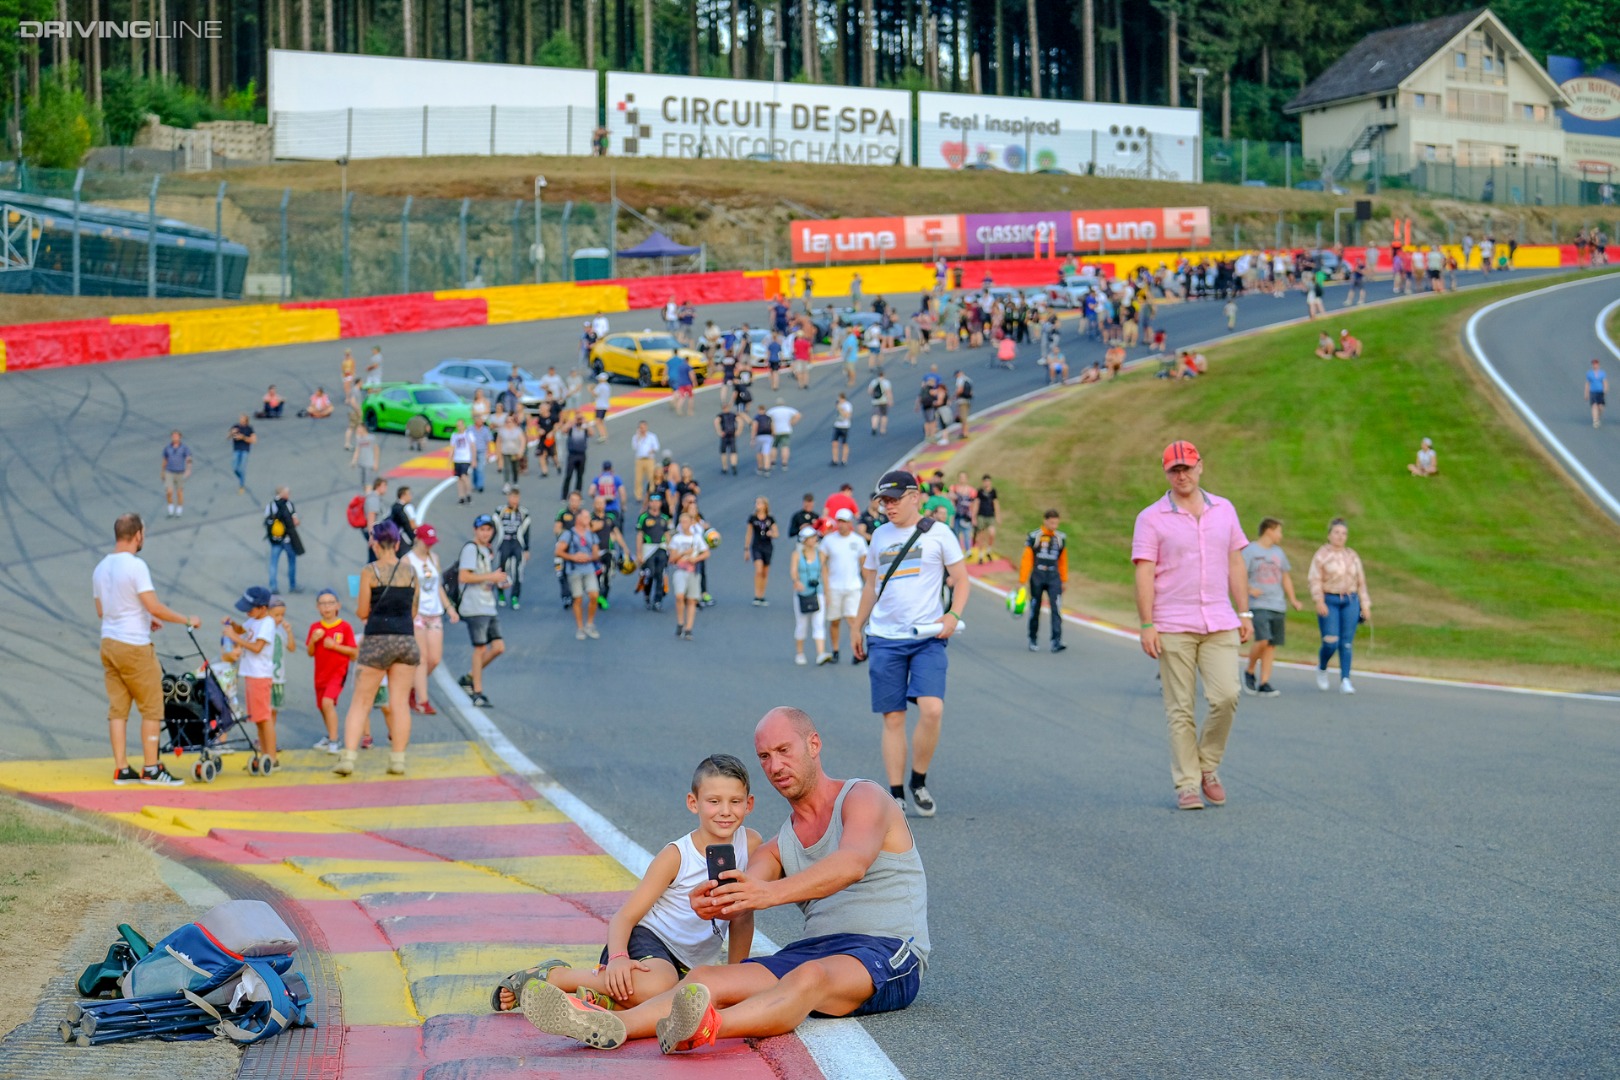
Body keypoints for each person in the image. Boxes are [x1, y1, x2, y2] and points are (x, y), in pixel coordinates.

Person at [517, 707, 928, 1056]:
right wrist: (713, 902)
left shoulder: (863, 797)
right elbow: (742, 891)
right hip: (814, 951)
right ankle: (612, 1025)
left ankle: (707, 1026)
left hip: (886, 950)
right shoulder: (779, 845)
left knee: (810, 978)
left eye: (784, 751)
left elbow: (851, 864)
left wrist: (766, 893)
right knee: (706, 979)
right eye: (764, 756)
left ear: (813, 745)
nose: (775, 766)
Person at [493, 754, 761, 1013]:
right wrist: (618, 958)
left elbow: (742, 915)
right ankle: (556, 976)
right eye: (714, 801)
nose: (725, 811)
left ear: (748, 804)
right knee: (660, 986)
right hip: (645, 941)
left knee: (690, 997)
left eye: (735, 801)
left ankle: (603, 1000)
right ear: (694, 803)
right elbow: (624, 918)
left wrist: (734, 976)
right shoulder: (676, 856)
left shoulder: (750, 844)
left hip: (686, 963)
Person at [1131, 440, 1252, 811]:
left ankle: (1207, 765)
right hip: (1172, 623)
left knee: (1227, 695)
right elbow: (1144, 572)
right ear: (1166, 473)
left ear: (1200, 467)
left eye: (1187, 467)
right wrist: (1147, 623)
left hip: (1219, 619)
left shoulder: (1224, 510)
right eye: (1175, 470)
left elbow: (1235, 562)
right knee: (1180, 708)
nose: (1182, 475)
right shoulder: (1151, 517)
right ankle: (1187, 784)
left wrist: (1245, 612)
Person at [851, 471, 969, 817]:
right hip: (885, 638)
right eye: (884, 501)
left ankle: (918, 780)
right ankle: (896, 792)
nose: (888, 507)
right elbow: (871, 586)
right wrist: (857, 626)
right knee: (893, 717)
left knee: (932, 709)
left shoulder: (940, 533)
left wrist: (952, 615)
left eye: (895, 500)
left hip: (927, 637)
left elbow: (962, 579)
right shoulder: (879, 536)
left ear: (914, 497)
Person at [93, 513, 200, 787]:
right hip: (134, 646)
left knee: (118, 710)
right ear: (137, 534)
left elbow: (103, 610)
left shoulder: (101, 568)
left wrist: (144, 617)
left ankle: (122, 769)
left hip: (109, 643)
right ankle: (151, 769)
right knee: (152, 708)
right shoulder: (136, 566)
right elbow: (154, 606)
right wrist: (187, 619)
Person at [332, 521, 419, 777]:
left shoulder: (370, 571)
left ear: (375, 544)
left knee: (361, 702)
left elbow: (362, 611)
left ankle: (348, 758)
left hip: (376, 641)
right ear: (397, 544)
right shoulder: (411, 572)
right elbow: (414, 611)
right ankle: (398, 760)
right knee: (400, 703)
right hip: (405, 640)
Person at [1308, 518, 1372, 695]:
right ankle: (1322, 667)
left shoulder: (1352, 556)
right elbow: (1315, 579)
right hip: (1330, 599)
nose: (1340, 536)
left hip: (1350, 600)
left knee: (1346, 642)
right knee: (1331, 641)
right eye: (1336, 532)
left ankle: (1345, 679)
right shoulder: (1322, 555)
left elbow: (1361, 582)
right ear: (1329, 535)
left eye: (1343, 533)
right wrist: (1319, 600)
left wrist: (1365, 604)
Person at [1241, 518, 1302, 698]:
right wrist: (1250, 589)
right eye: (1279, 531)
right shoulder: (1250, 551)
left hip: (1277, 604)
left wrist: (1293, 599)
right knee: (1263, 639)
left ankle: (1264, 682)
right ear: (1269, 530)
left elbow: (1285, 577)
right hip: (1258, 604)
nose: (1281, 535)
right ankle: (1250, 670)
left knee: (1271, 645)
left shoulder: (1278, 553)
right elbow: (1239, 574)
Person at [224, 585, 281, 772]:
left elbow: (257, 647)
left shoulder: (267, 623)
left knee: (264, 718)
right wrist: (232, 625)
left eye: (250, 608)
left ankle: (272, 758)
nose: (247, 612)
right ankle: (265, 755)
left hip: (260, 675)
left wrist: (234, 637)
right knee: (258, 718)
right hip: (252, 674)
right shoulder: (254, 619)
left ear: (263, 608)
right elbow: (242, 629)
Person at [405, 524, 457, 717]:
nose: (429, 545)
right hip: (417, 613)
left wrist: (449, 607)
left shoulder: (434, 558)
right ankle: (423, 700)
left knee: (434, 659)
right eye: (426, 542)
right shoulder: (407, 561)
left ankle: (412, 686)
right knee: (422, 658)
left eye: (431, 542)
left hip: (434, 612)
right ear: (418, 539)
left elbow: (438, 586)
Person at [458, 515, 509, 705]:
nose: (486, 533)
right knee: (480, 648)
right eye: (482, 530)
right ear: (475, 530)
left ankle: (470, 677)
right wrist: (491, 577)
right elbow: (464, 576)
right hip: (474, 605)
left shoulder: (486, 550)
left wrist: (498, 581)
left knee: (498, 647)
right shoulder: (471, 549)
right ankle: (477, 691)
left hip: (488, 605)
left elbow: (485, 577)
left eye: (489, 530)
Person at [306, 589, 359, 753]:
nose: (327, 607)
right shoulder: (315, 627)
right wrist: (313, 640)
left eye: (330, 603)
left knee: (327, 702)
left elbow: (354, 653)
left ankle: (334, 741)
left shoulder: (344, 627)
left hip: (338, 672)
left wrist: (335, 646)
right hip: (320, 674)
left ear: (338, 606)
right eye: (323, 604)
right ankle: (330, 736)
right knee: (322, 706)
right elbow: (310, 652)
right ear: (317, 607)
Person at [820, 509, 869, 664]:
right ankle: (835, 650)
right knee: (835, 620)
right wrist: (825, 587)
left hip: (853, 586)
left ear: (850, 523)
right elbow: (822, 563)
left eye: (844, 522)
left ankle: (857, 651)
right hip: (834, 586)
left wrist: (869, 586)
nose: (841, 525)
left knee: (854, 621)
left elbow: (864, 565)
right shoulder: (829, 540)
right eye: (839, 521)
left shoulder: (858, 541)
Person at [1019, 509, 1069, 653]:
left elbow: (1063, 560)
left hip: (1054, 576)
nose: (1054, 526)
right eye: (1051, 523)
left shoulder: (1060, 538)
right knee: (1035, 607)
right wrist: (1022, 579)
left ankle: (1056, 640)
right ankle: (1033, 638)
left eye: (1056, 523)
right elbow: (1027, 559)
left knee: (1056, 608)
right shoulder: (1034, 536)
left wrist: (1064, 579)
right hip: (1038, 575)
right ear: (1045, 521)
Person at [557, 505, 603, 640]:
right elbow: (558, 551)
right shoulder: (569, 534)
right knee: (578, 599)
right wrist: (573, 557)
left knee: (594, 595)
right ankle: (580, 627)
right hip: (574, 570)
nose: (589, 519)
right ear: (578, 518)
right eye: (586, 517)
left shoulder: (591, 535)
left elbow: (596, 554)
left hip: (588, 569)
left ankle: (590, 624)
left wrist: (588, 557)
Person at [789, 526, 832, 665]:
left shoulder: (820, 554)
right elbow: (793, 571)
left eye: (814, 537)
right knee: (802, 623)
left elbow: (824, 573)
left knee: (819, 623)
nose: (814, 539)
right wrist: (796, 581)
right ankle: (800, 653)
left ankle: (821, 653)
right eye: (811, 538)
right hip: (802, 593)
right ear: (805, 540)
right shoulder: (797, 554)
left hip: (817, 591)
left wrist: (827, 593)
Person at [668, 511, 709, 640]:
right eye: (681, 522)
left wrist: (695, 559)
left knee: (691, 599)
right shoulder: (677, 539)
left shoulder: (697, 538)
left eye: (686, 522)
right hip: (680, 570)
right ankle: (680, 622)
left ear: (691, 523)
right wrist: (684, 553)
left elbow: (706, 553)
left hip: (693, 571)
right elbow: (672, 559)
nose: (683, 524)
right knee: (679, 596)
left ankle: (688, 628)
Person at [494, 488, 532, 610]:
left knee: (518, 570)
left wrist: (526, 549)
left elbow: (526, 532)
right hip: (504, 542)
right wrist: (489, 545)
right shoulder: (500, 510)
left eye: (516, 497)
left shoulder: (524, 512)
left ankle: (515, 596)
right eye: (512, 497)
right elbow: (494, 528)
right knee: (502, 568)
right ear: (508, 497)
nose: (514, 500)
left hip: (517, 542)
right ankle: (500, 593)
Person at [637, 492, 674, 610]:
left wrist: (671, 551)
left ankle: (657, 600)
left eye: (657, 501)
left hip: (661, 548)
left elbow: (667, 535)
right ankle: (647, 595)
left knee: (660, 574)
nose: (654, 504)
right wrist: (639, 553)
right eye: (652, 501)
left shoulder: (664, 518)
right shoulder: (643, 517)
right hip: (648, 548)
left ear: (660, 503)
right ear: (649, 503)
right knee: (650, 573)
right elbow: (639, 535)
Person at [264, 486, 303, 594]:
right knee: (291, 562)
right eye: (287, 492)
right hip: (287, 539)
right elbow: (295, 520)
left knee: (273, 563)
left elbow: (267, 520)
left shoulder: (270, 505)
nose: (289, 494)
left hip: (275, 539)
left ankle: (273, 587)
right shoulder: (289, 504)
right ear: (281, 493)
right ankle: (292, 585)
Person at [746, 497, 778, 606]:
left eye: (760, 503)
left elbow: (776, 533)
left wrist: (771, 534)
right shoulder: (753, 518)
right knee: (758, 570)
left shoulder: (770, 519)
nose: (757, 505)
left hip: (767, 547)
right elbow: (749, 533)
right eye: (757, 503)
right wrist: (746, 548)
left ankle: (762, 595)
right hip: (756, 546)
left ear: (765, 505)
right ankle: (757, 595)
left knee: (765, 572)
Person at [969, 475, 1001, 564]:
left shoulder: (993, 492)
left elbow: (995, 504)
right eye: (985, 481)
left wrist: (998, 516)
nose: (987, 483)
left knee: (992, 533)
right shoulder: (980, 492)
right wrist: (973, 517)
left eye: (988, 481)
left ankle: (988, 550)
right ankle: (980, 555)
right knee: (981, 536)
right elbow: (976, 503)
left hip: (990, 516)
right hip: (981, 516)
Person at [161, 430, 192, 518]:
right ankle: (170, 510)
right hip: (169, 472)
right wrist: (162, 471)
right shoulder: (167, 448)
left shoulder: (184, 448)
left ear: (180, 437)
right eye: (173, 436)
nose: (174, 438)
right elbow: (165, 460)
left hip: (180, 472)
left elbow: (188, 458)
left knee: (179, 492)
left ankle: (179, 510)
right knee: (169, 492)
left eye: (176, 436)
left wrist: (188, 469)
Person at [561, 411, 591, 498]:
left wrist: (586, 422)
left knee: (580, 476)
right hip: (572, 454)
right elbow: (563, 430)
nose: (579, 420)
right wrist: (572, 421)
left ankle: (578, 495)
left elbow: (591, 433)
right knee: (568, 475)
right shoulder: (571, 427)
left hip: (582, 454)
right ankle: (564, 495)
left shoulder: (585, 427)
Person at [766, 398, 800, 471]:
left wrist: (769, 426)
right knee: (785, 447)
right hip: (785, 430)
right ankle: (784, 463)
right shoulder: (788, 409)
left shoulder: (772, 410)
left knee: (774, 446)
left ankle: (773, 461)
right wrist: (792, 422)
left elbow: (766, 418)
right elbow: (798, 415)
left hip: (775, 431)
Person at [632, 421, 662, 502]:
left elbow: (656, 447)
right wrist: (638, 438)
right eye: (641, 428)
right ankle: (638, 496)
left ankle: (652, 493)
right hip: (639, 460)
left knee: (651, 477)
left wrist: (652, 450)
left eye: (643, 427)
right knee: (638, 479)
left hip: (649, 459)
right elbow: (634, 447)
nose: (642, 429)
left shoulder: (652, 436)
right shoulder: (636, 437)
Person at [497, 413, 527, 492]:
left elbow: (523, 440)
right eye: (506, 421)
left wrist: (521, 451)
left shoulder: (517, 430)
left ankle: (515, 482)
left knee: (515, 468)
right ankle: (506, 483)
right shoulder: (502, 430)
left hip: (515, 452)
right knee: (506, 468)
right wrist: (498, 453)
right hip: (505, 451)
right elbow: (498, 441)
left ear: (513, 422)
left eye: (510, 421)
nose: (508, 423)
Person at [450, 419, 476, 504]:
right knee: (459, 478)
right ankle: (461, 496)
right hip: (457, 459)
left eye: (460, 425)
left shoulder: (468, 434)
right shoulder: (454, 435)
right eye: (458, 425)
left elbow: (473, 447)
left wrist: (473, 459)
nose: (459, 427)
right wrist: (450, 458)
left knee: (464, 476)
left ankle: (468, 492)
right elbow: (452, 447)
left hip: (466, 459)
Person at [229, 414, 255, 493]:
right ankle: (241, 478)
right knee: (235, 468)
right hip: (236, 449)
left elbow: (253, 440)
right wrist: (232, 433)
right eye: (240, 419)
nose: (241, 420)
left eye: (242, 419)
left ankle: (241, 485)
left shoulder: (249, 429)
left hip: (245, 450)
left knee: (242, 468)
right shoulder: (236, 427)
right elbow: (228, 437)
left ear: (246, 420)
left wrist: (243, 437)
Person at [713, 403, 741, 476]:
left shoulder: (720, 415)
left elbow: (716, 422)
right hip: (731, 434)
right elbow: (740, 422)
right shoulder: (733, 415)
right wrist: (738, 431)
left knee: (724, 452)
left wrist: (719, 432)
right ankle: (733, 465)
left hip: (725, 435)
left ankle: (725, 467)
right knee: (732, 451)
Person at [352, 421, 379, 490]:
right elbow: (357, 450)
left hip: (369, 463)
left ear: (363, 428)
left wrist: (376, 463)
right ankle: (367, 495)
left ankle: (369, 495)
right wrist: (354, 460)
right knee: (363, 483)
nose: (357, 430)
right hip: (361, 463)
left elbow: (376, 450)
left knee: (368, 483)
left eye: (358, 428)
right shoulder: (359, 439)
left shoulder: (371, 438)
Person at [750, 404, 775, 476]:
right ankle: (767, 468)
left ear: (758, 410)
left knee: (759, 453)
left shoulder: (757, 418)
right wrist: (773, 435)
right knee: (766, 453)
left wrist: (752, 439)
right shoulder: (769, 418)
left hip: (759, 436)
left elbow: (754, 428)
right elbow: (773, 427)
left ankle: (760, 467)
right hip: (768, 436)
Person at [868, 367, 893, 436]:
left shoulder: (873, 382)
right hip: (884, 401)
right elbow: (888, 392)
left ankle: (874, 427)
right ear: (883, 374)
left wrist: (874, 395)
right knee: (884, 416)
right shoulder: (886, 382)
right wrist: (890, 400)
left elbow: (869, 391)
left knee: (875, 415)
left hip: (875, 401)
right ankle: (882, 430)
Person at [952, 370, 973, 438]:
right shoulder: (968, 379)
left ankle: (965, 433)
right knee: (964, 417)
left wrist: (953, 397)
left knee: (963, 418)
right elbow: (971, 392)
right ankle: (965, 432)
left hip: (962, 401)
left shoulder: (960, 379)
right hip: (968, 400)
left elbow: (959, 390)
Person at [592, 374, 613, 441]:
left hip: (600, 405)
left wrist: (591, 389)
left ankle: (602, 435)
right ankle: (604, 434)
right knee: (601, 421)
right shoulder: (608, 386)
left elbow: (595, 394)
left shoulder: (600, 386)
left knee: (598, 421)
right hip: (606, 405)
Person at [1588, 358, 1608, 428]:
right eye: (1593, 364)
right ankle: (1595, 420)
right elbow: (1587, 383)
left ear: (1598, 365)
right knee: (1594, 405)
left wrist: (1605, 390)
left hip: (1600, 392)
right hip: (1593, 392)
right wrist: (1586, 393)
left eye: (1596, 364)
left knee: (1600, 407)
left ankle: (1597, 417)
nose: (1595, 365)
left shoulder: (1602, 373)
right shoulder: (1589, 374)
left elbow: (1605, 382)